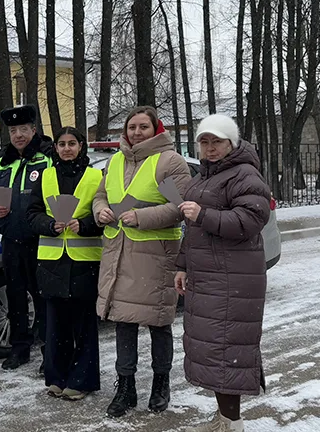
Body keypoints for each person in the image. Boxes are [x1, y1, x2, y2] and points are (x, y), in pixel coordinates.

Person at [93, 106, 192, 417]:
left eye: (143, 127)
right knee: (124, 321)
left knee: (158, 323)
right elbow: (100, 195)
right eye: (132, 127)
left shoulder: (167, 162)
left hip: (155, 258)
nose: (136, 132)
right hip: (118, 253)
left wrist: (142, 216)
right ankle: (126, 386)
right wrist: (100, 211)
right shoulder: (116, 160)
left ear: (156, 129)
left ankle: (161, 383)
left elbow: (180, 207)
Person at [174, 115, 271, 432]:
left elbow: (249, 221)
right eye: (204, 141)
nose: (210, 148)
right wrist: (182, 265)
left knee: (226, 349)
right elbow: (193, 231)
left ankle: (232, 423)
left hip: (233, 278)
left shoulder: (244, 174)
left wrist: (204, 214)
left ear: (231, 143)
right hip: (209, 277)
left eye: (217, 141)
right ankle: (225, 418)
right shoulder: (202, 178)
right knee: (214, 350)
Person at [27, 126, 104, 401]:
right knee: (55, 325)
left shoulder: (96, 176)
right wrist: (49, 224)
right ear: (56, 148)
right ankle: (57, 378)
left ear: (81, 146)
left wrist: (83, 225)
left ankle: (82, 380)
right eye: (62, 144)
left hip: (85, 261)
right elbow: (31, 213)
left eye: (72, 143)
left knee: (83, 325)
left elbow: (105, 213)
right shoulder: (46, 175)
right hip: (51, 262)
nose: (67, 148)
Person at [0, 104, 53, 371]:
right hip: (10, 239)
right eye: (13, 130)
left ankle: (49, 351)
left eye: (24, 129)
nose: (19, 135)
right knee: (16, 296)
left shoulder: (48, 158)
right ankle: (19, 348)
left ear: (34, 130)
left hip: (41, 240)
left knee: (44, 297)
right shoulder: (0, 162)